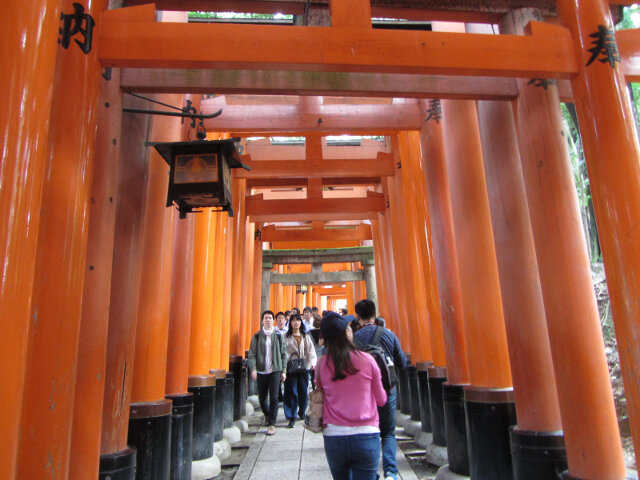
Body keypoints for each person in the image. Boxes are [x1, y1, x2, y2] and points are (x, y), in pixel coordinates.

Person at [317, 312, 387, 480]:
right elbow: (382, 399)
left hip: (334, 435)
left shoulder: (321, 364)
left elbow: (320, 394)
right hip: (366, 433)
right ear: (347, 332)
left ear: (325, 339)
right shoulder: (368, 360)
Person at [353, 299, 407, 480]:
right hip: (387, 388)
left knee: (370, 431)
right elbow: (402, 362)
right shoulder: (389, 335)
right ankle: (391, 472)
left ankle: (371, 471)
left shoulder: (355, 338)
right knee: (388, 432)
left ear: (358, 317)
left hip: (365, 392)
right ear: (375, 315)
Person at [247, 310, 287, 436]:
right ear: (262, 321)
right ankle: (268, 415)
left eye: (270, 318)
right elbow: (252, 355)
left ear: (273, 320)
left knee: (274, 398)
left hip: (275, 370)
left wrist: (284, 370)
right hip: (261, 371)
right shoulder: (257, 337)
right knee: (262, 398)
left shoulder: (279, 336)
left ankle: (272, 424)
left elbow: (283, 355)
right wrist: (253, 369)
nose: (268, 320)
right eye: (266, 318)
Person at [283, 313, 317, 427]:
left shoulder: (305, 336)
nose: (296, 322)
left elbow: (311, 351)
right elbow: (283, 352)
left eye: (298, 320)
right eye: (293, 320)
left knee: (303, 391)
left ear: (300, 323)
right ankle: (291, 415)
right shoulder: (285, 337)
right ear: (290, 323)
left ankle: (302, 412)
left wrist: (313, 363)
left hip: (303, 367)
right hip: (291, 368)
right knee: (291, 391)